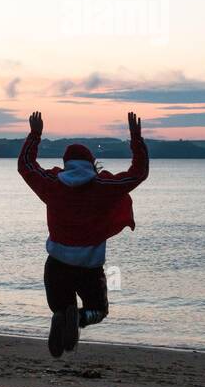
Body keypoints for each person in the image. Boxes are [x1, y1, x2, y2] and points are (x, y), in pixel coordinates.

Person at [18, 110, 148, 357]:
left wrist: (35, 134)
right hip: (89, 268)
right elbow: (138, 173)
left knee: (59, 307)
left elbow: (25, 166)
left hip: (56, 265)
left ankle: (62, 315)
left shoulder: (52, 185)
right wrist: (136, 139)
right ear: (91, 165)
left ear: (66, 164)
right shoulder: (103, 187)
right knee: (98, 310)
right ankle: (78, 318)